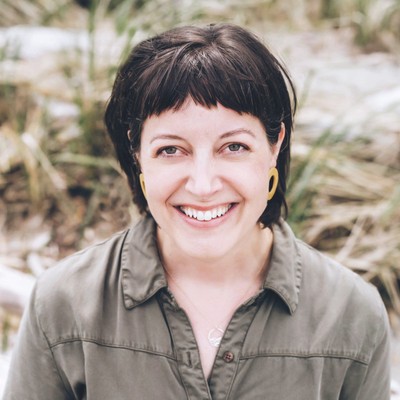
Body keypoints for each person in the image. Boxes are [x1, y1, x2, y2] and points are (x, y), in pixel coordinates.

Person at [3, 24, 390, 399]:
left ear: (276, 145)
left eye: (234, 147)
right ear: (137, 154)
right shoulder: (62, 304)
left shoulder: (352, 313)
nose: (203, 186)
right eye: (171, 149)